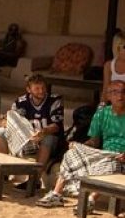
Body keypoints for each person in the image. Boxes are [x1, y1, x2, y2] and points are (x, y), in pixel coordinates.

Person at [37, 81, 125, 210]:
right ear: (108, 96)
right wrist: (81, 146)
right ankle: (57, 194)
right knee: (71, 153)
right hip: (105, 152)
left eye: (123, 92)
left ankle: (90, 200)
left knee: (111, 163)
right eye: (115, 92)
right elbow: (94, 140)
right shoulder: (101, 113)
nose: (120, 96)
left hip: (121, 156)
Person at [0, 74, 64, 190]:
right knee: (0, 132)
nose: (41, 91)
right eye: (37, 88)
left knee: (48, 138)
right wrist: (6, 122)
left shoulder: (55, 100)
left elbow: (56, 126)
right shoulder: (21, 102)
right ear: (29, 89)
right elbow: (8, 120)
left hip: (49, 140)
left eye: (43, 87)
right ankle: (2, 172)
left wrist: (43, 132)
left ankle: (34, 180)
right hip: (27, 139)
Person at [101, 33, 125, 105]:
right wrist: (100, 111)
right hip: (115, 106)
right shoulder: (109, 65)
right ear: (117, 48)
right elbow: (105, 90)